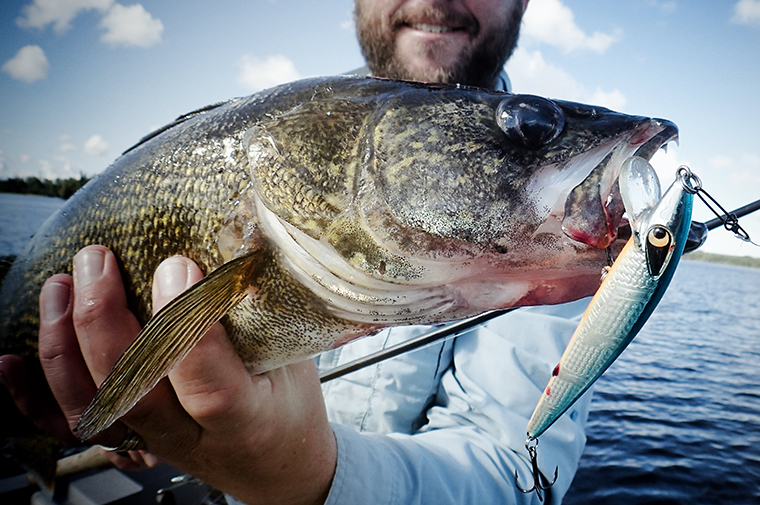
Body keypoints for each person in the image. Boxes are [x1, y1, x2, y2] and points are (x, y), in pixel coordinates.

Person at [2, 1, 595, 503]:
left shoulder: (555, 247)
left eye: (530, 129)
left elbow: (518, 475)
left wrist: (294, 472)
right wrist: (138, 422)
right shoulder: (293, 132)